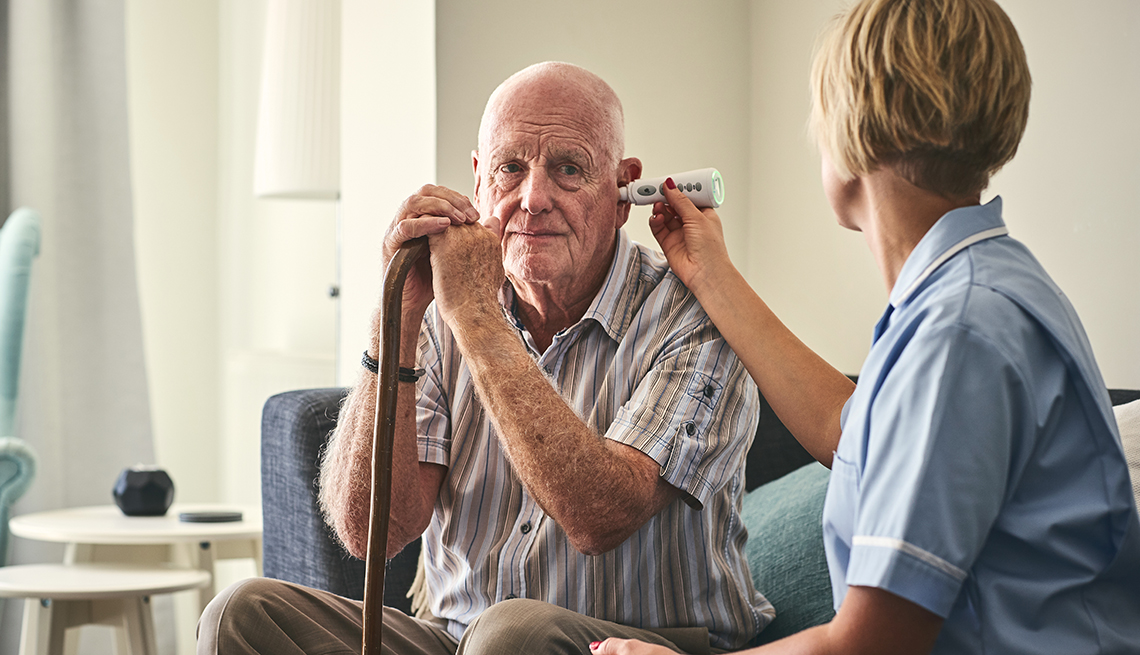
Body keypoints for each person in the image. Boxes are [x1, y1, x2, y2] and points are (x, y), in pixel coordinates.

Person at [592, 0, 1140, 654]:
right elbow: (849, 431)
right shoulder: (977, 292)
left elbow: (874, 644)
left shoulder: (957, 334)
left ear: (855, 134)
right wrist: (713, 277)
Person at [197, 62, 771, 654]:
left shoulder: (694, 318)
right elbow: (371, 532)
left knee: (512, 635)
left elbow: (600, 516)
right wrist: (396, 318)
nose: (534, 199)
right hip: (455, 638)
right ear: (478, 182)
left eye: (568, 170)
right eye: (510, 168)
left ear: (622, 190)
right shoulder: (444, 304)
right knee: (240, 613)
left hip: (639, 645)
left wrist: (475, 316)